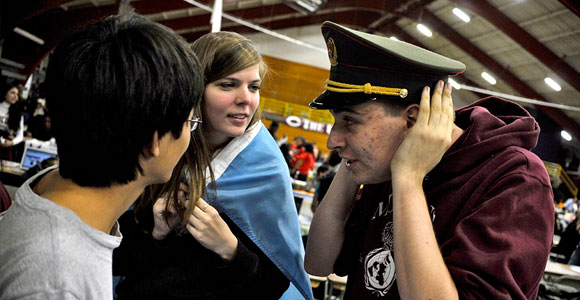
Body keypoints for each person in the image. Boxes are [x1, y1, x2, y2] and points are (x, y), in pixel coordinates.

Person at [304, 21, 554, 300]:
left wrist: (409, 179)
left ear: (412, 119)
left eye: (350, 120)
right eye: (335, 121)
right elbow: (319, 262)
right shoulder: (385, 162)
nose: (331, 140)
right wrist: (351, 162)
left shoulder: (515, 178)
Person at [0, 11, 205, 300]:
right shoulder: (58, 281)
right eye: (190, 122)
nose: (191, 134)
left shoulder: (48, 186)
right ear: (152, 141)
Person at [114, 31, 313, 300]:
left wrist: (231, 249)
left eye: (253, 87)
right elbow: (114, 259)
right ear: (195, 87)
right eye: (228, 85)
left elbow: (274, 287)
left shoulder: (265, 168)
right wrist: (156, 234)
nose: (246, 99)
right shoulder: (156, 148)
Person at [0, 83, 24, 148]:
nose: (15, 96)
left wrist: (11, 142)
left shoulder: (18, 113)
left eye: (17, 94)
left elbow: (20, 135)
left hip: (5, 146)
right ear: (5, 94)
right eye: (12, 93)